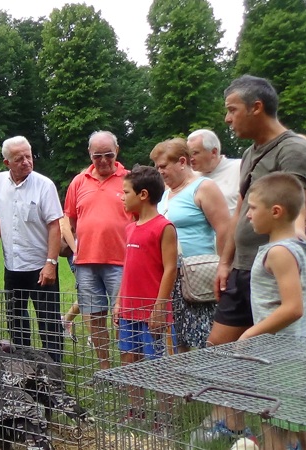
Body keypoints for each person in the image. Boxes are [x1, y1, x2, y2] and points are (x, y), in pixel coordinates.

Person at [201, 75, 306, 442]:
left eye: (232, 110)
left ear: (257, 107)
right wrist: (225, 262)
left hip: (270, 267)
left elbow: (300, 205)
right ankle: (232, 420)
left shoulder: (293, 148)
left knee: (274, 360)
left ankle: (284, 431)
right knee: (221, 345)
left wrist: (291, 245)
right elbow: (239, 212)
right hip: (243, 266)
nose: (227, 119)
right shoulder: (251, 153)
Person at [240, 172, 306, 450]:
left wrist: (250, 334)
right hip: (290, 351)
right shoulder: (298, 244)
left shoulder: (278, 252)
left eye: (253, 208)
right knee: (294, 423)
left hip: (286, 355)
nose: (248, 215)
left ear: (276, 212)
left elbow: (293, 308)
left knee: (280, 423)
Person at [0, 136, 64, 363]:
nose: (27, 162)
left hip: (40, 267)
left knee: (48, 321)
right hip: (12, 266)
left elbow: (54, 225)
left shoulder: (44, 185)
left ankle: (54, 369)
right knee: (16, 319)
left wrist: (51, 263)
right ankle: (23, 366)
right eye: (19, 159)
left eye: (29, 156)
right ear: (7, 162)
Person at [151, 138, 229, 352]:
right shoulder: (165, 193)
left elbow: (224, 229)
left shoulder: (204, 187)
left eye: (164, 166)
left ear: (182, 162)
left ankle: (211, 381)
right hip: (170, 276)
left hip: (198, 276)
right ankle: (183, 382)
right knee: (178, 337)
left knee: (206, 337)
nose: (160, 172)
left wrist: (223, 265)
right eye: (157, 167)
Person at [113, 165, 177, 420]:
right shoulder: (130, 228)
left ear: (143, 195)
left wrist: (159, 308)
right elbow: (128, 270)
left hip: (153, 311)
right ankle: (136, 409)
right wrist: (119, 302)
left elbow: (170, 269)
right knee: (130, 359)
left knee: (158, 365)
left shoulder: (164, 227)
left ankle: (165, 415)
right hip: (129, 308)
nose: (121, 196)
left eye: (125, 192)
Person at [63, 130, 132, 370]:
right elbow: (67, 218)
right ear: (89, 154)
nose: (103, 160)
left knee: (123, 317)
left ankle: (128, 369)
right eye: (97, 156)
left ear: (117, 151)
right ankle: (105, 369)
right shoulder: (79, 181)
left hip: (121, 261)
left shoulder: (130, 180)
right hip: (86, 262)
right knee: (93, 316)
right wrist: (74, 248)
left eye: (108, 155)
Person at [187, 129, 241, 216]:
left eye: (195, 153)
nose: (191, 159)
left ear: (213, 152)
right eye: (188, 154)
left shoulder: (239, 168)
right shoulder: (190, 176)